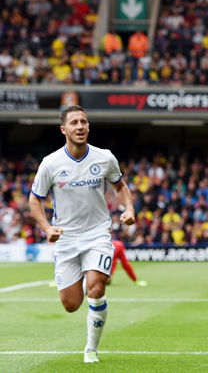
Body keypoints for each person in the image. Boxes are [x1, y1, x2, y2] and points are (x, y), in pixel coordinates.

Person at [28, 105, 135, 363]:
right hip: (65, 238)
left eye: (84, 122)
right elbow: (34, 200)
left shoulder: (104, 157)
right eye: (74, 122)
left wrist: (129, 207)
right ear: (64, 129)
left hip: (98, 233)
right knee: (71, 304)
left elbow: (120, 186)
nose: (80, 127)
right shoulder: (51, 164)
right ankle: (86, 283)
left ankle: (91, 348)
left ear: (88, 127)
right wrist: (46, 228)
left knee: (96, 289)